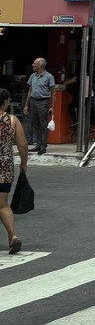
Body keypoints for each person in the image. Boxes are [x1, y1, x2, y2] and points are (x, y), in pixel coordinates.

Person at [0, 88, 28, 254]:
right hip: (5, 166)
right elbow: (22, 145)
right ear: (5, 102)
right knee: (3, 204)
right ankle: (12, 236)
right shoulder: (12, 120)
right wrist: (24, 163)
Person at [25, 58, 55, 155]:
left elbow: (53, 93)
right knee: (36, 123)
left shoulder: (49, 77)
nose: (33, 65)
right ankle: (38, 144)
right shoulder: (33, 76)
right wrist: (26, 105)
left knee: (43, 124)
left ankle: (43, 146)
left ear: (40, 66)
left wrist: (53, 107)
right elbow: (30, 90)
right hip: (33, 101)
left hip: (43, 101)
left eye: (35, 64)